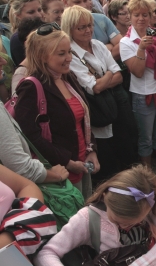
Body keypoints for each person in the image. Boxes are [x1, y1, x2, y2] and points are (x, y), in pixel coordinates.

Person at [34, 166, 156, 266]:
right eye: (117, 220)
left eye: (137, 221)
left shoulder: (146, 202)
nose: (126, 226)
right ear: (105, 196)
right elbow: (44, 254)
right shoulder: (86, 220)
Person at [14, 24, 99, 199]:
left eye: (69, 52)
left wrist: (91, 150)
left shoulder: (67, 77)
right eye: (61, 54)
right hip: (61, 173)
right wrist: (67, 162)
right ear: (42, 56)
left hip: (81, 163)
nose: (69, 58)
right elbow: (31, 136)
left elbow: (83, 119)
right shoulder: (31, 87)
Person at [63, 5, 137, 182]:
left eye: (90, 25)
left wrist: (104, 78)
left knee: (126, 141)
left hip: (115, 102)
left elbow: (118, 76)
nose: (88, 30)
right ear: (70, 29)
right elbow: (94, 88)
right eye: (81, 27)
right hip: (98, 110)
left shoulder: (97, 45)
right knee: (106, 152)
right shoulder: (70, 55)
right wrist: (109, 74)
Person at [120, 0, 156, 182]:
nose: (141, 18)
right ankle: (147, 175)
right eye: (137, 15)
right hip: (142, 95)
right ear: (130, 17)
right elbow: (137, 72)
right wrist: (141, 49)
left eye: (145, 14)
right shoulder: (126, 42)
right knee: (145, 138)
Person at [8, 0, 43, 66]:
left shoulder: (47, 29)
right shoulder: (17, 40)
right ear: (18, 15)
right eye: (31, 12)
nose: (38, 15)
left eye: (39, 10)